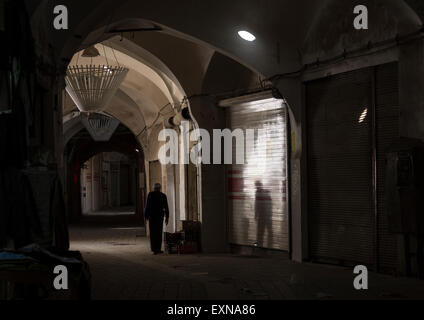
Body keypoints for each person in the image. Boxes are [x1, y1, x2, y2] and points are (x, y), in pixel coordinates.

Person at [144, 183, 169, 255]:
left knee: (153, 233)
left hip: (152, 217)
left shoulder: (150, 195)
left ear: (154, 188)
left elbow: (147, 206)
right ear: (160, 188)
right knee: (158, 233)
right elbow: (166, 208)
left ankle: (154, 249)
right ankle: (158, 249)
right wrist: (167, 217)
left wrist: (146, 216)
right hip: (159, 217)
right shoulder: (163, 196)